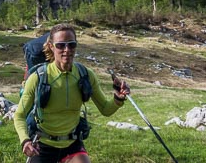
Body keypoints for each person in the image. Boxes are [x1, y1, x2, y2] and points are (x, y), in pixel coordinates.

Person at [14, 23, 130, 163]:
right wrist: (25, 141)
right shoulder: (38, 77)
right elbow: (19, 115)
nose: (67, 50)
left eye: (71, 44)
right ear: (51, 46)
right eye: (60, 45)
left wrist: (118, 98)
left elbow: (105, 109)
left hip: (72, 144)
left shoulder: (85, 75)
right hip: (42, 145)